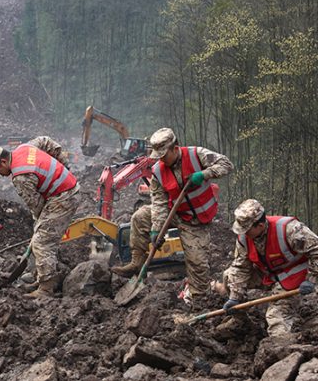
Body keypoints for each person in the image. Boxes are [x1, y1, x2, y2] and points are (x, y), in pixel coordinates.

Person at [111, 128, 234, 309]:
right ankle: (137, 263)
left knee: (197, 263)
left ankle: (200, 300)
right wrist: (156, 229)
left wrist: (204, 174)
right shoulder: (158, 172)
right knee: (139, 216)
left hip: (196, 221)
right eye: (158, 156)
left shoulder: (196, 154)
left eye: (164, 155)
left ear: (175, 148)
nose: (161, 159)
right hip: (175, 212)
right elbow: (159, 203)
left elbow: (226, 164)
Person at [0, 136, 79, 298]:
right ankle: (40, 277)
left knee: (42, 241)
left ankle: (46, 288)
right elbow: (45, 140)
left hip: (63, 198)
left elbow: (37, 206)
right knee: (41, 234)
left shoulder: (20, 177)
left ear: (3, 162)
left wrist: (40, 225)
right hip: (68, 187)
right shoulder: (24, 148)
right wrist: (63, 164)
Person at [217, 199, 318, 336]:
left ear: (260, 225)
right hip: (269, 275)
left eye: (247, 229)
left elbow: (316, 250)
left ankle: (283, 346)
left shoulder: (290, 229)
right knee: (229, 275)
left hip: (296, 277)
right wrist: (235, 298)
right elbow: (241, 268)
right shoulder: (244, 238)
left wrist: (311, 279)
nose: (244, 233)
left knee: (276, 316)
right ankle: (241, 322)